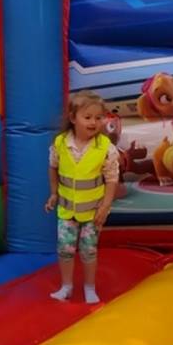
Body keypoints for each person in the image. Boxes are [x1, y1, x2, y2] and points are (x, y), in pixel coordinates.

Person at [45, 91, 119, 304]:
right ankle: (66, 286)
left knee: (88, 250)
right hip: (67, 210)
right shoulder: (60, 143)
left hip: (92, 212)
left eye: (98, 117)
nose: (93, 122)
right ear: (73, 118)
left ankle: (89, 287)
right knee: (65, 248)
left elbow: (112, 179)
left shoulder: (105, 147)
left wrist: (105, 206)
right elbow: (53, 168)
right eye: (87, 117)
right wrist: (53, 193)